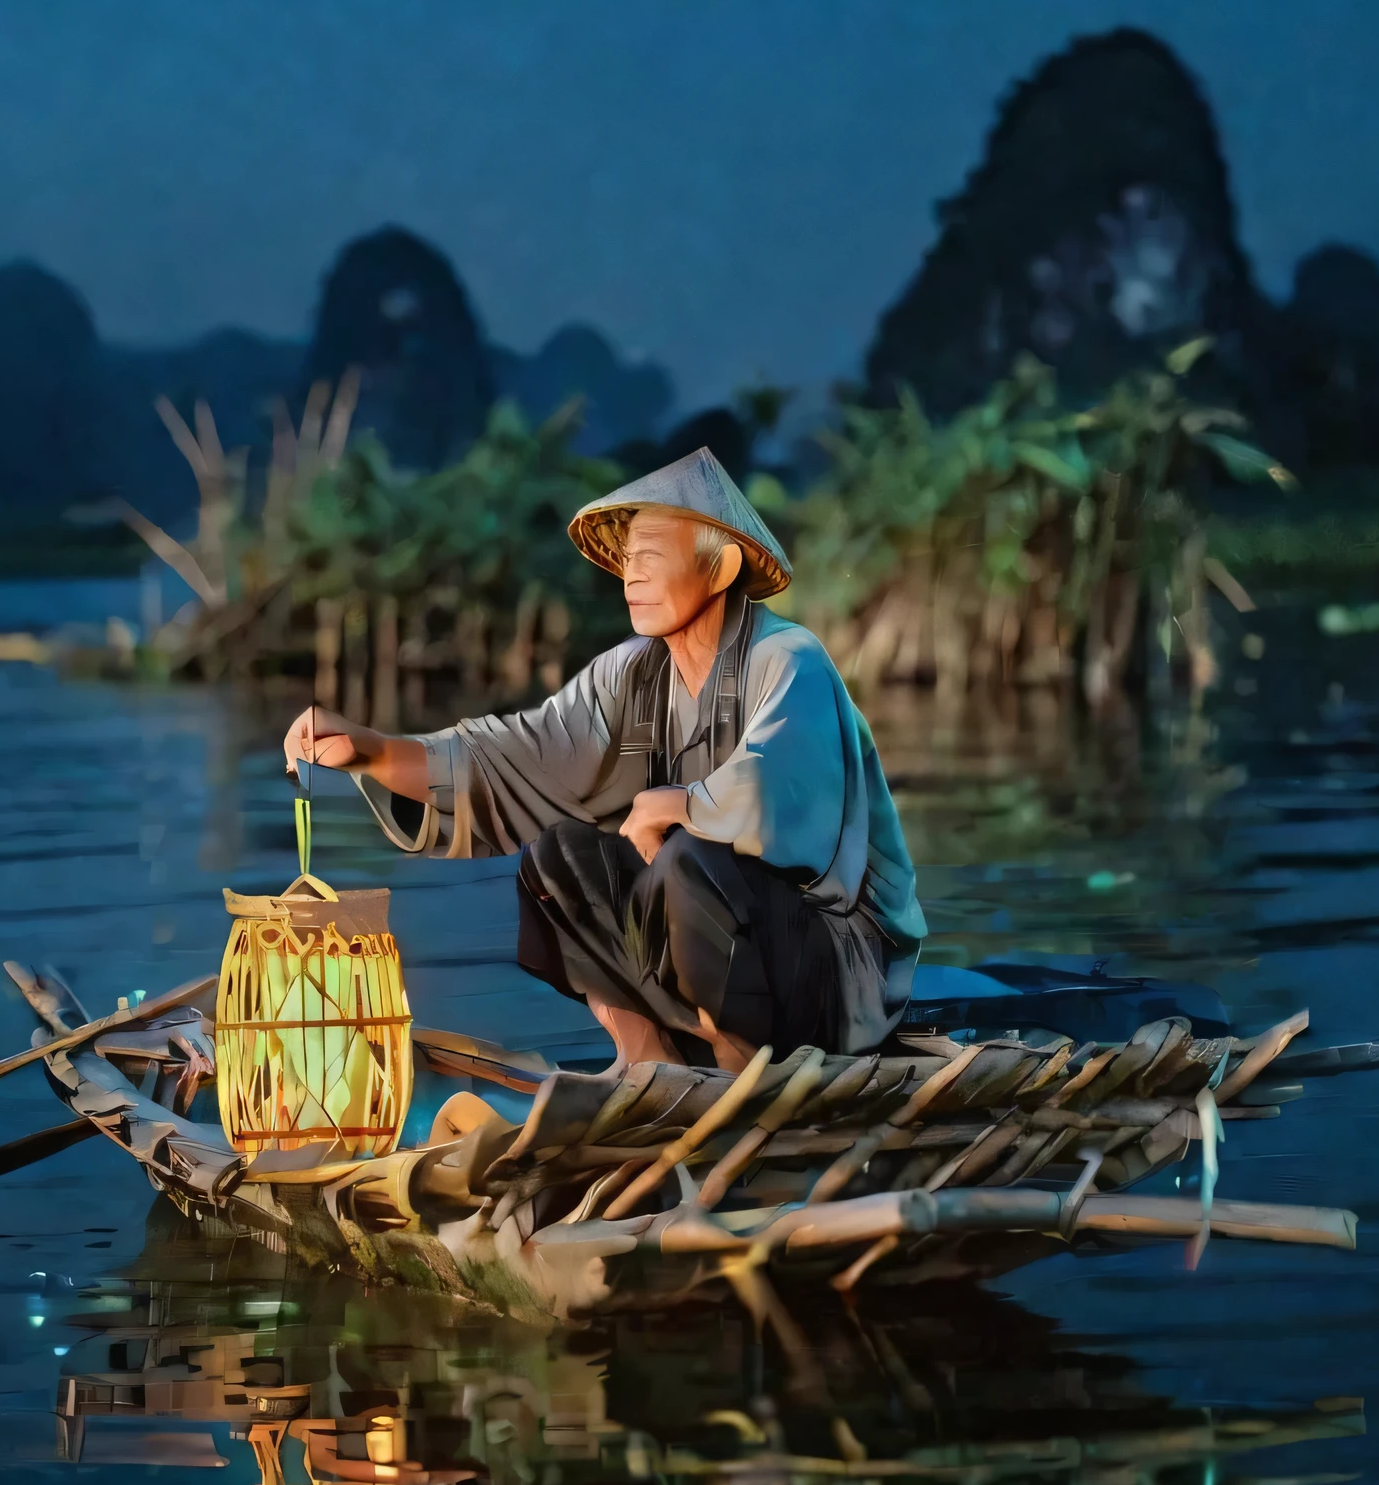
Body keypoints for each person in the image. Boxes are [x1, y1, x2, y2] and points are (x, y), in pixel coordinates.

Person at [281, 447, 923, 1073]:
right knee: (557, 856)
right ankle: (646, 1058)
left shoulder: (789, 658)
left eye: (650, 558)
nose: (631, 576)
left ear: (720, 569)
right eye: (626, 561)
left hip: (839, 976)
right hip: (714, 933)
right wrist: (372, 749)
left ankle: (738, 1067)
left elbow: (775, 794)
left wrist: (674, 805)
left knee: (689, 858)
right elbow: (518, 754)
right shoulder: (633, 672)